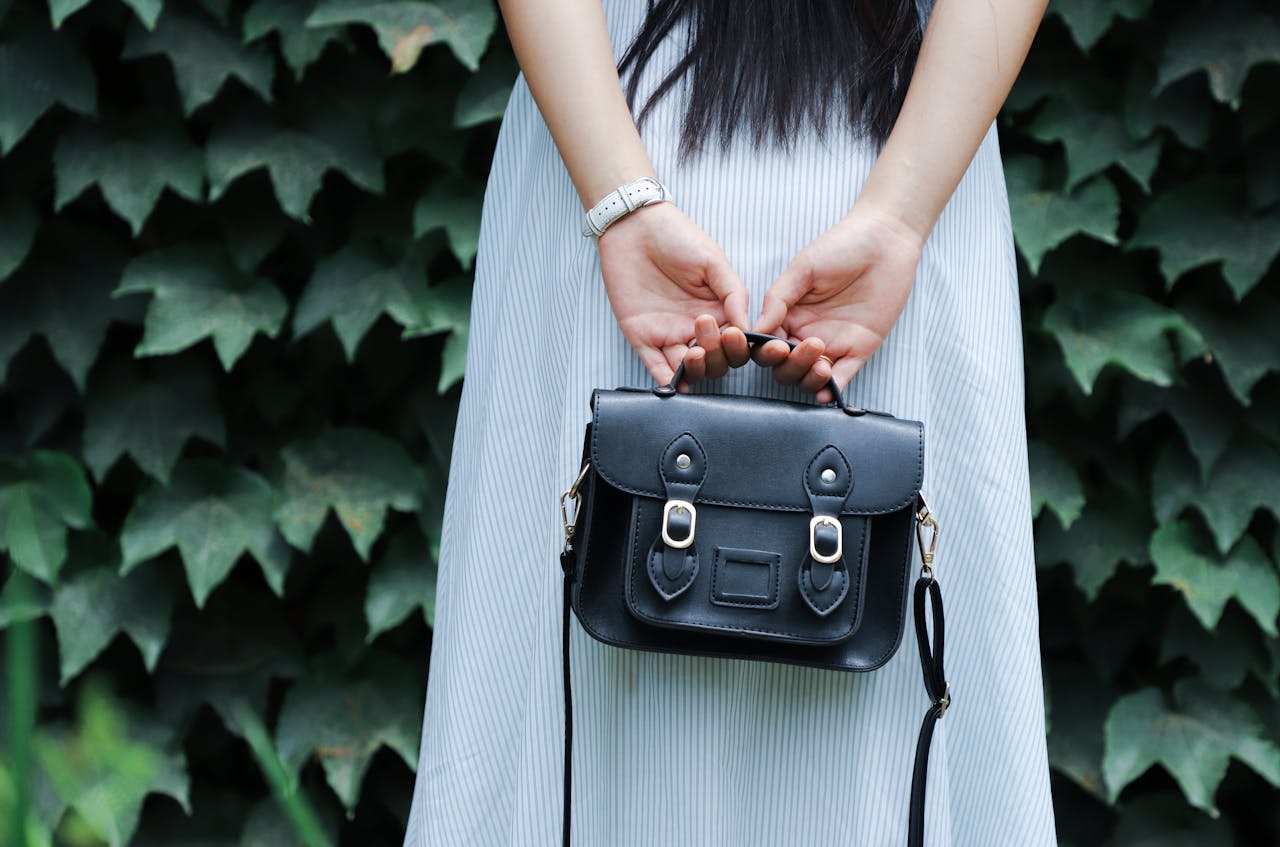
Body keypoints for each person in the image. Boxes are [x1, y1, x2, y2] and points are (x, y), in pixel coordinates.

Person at [403, 0, 1057, 843]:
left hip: (611, 133)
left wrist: (623, 204)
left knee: (552, 731)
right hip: (901, 143)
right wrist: (899, 215)